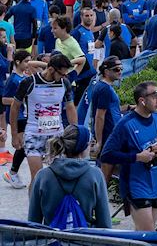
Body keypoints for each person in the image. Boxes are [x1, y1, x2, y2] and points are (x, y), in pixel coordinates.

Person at [100, 79, 157, 231]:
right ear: (142, 101)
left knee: (141, 234)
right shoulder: (125, 124)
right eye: (155, 96)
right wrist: (137, 157)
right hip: (135, 186)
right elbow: (107, 155)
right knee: (148, 233)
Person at [7, 53, 78, 189]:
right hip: (34, 135)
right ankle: (34, 209)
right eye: (62, 74)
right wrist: (15, 135)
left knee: (59, 179)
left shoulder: (64, 83)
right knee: (38, 179)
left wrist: (75, 132)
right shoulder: (29, 82)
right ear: (51, 69)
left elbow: (70, 108)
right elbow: (15, 107)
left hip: (56, 137)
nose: (64, 77)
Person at [26, 124, 110, 229]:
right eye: (91, 143)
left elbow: (33, 222)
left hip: (50, 240)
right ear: (85, 146)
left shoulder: (42, 176)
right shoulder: (95, 175)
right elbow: (105, 223)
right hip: (85, 240)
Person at [86, 56, 124, 180]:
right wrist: (99, 142)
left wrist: (129, 107)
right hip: (108, 135)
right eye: (117, 69)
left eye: (121, 68)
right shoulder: (104, 89)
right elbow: (99, 116)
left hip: (110, 134)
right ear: (107, 71)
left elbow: (111, 109)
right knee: (104, 177)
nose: (120, 72)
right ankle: (97, 198)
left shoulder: (103, 87)